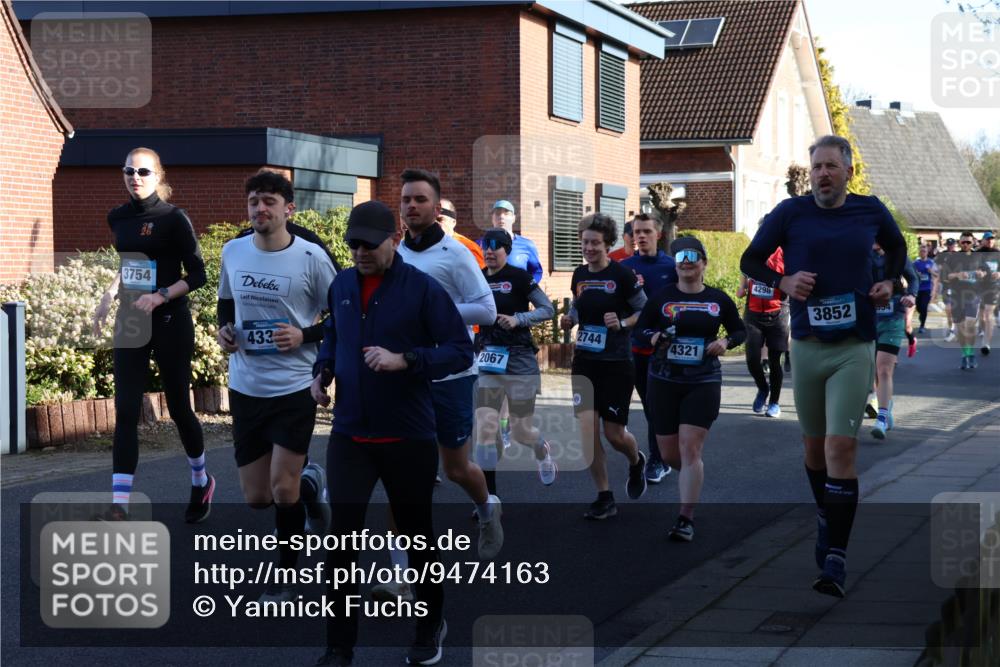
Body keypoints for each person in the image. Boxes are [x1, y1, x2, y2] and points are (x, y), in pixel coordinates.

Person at [740, 134, 905, 598]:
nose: (823, 174)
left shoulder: (870, 210)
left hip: (855, 345)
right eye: (817, 167)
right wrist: (783, 279)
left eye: (832, 166)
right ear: (809, 172)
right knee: (814, 451)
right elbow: (750, 258)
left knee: (840, 449)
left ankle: (836, 556)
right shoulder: (790, 213)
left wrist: (889, 281)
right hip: (809, 345)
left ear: (848, 171)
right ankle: (825, 513)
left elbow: (897, 249)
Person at [311, 200, 473, 667]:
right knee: (342, 540)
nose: (360, 252)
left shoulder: (422, 289)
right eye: (353, 244)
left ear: (395, 239)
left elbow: (460, 350)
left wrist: (408, 360)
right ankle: (338, 647)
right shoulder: (342, 284)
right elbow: (334, 335)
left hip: (407, 435)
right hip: (350, 435)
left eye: (369, 243)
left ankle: (429, 625)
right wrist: (321, 372)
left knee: (417, 536)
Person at [216, 171, 336, 602]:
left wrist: (306, 336)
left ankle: (287, 577)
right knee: (257, 497)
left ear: (289, 209)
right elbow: (226, 303)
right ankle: (310, 486)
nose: (259, 209)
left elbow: (341, 314)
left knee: (280, 489)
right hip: (246, 385)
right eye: (253, 202)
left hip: (293, 387)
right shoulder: (233, 251)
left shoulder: (311, 256)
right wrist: (224, 332)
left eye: (268, 202)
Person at [92, 147, 212, 522]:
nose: (135, 177)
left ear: (158, 175)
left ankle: (201, 480)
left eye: (143, 172)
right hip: (130, 320)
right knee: (126, 409)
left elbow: (197, 275)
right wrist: (110, 292)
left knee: (178, 407)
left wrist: (160, 296)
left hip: (170, 322)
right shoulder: (119, 217)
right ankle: (120, 504)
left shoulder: (174, 218)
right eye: (129, 170)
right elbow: (132, 263)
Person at [396, 169, 503, 560]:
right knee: (406, 474)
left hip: (453, 374)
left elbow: (487, 310)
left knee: (456, 469)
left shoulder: (456, 253)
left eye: (420, 199)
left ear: (436, 207)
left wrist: (434, 312)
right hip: (408, 373)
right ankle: (400, 574)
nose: (411, 205)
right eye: (406, 199)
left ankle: (487, 507)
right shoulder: (399, 252)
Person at [635, 236, 746, 541]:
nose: (686, 261)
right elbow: (640, 329)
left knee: (690, 448)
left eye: (693, 256)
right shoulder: (660, 298)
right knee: (673, 454)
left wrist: (725, 342)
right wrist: (654, 338)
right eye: (681, 256)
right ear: (675, 263)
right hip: (663, 380)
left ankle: (686, 518)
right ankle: (686, 470)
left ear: (704, 263)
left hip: (703, 380)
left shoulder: (718, 299)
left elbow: (739, 329)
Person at [560, 213, 649, 520]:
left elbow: (645, 310)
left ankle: (636, 460)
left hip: (616, 363)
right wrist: (570, 318)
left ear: (608, 244)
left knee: (614, 435)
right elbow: (578, 303)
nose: (589, 248)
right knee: (587, 433)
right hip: (585, 362)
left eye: (595, 243)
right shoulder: (579, 274)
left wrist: (623, 322)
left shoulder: (622, 276)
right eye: (585, 242)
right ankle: (605, 495)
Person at [473, 227, 557, 492]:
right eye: (486, 245)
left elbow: (548, 309)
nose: (489, 250)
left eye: (496, 245)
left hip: (520, 359)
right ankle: (489, 499)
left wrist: (519, 319)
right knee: (486, 428)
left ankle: (541, 451)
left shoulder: (519, 277)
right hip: (489, 357)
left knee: (521, 431)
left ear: (506, 251)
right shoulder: (477, 278)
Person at [620, 213, 678, 482]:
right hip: (633, 348)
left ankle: (658, 459)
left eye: (645, 231)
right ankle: (658, 453)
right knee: (647, 405)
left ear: (659, 234)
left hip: (665, 348)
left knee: (657, 405)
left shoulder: (672, 266)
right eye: (636, 232)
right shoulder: (624, 267)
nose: (640, 236)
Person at [868, 244, 918, 439]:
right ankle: (885, 404)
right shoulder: (862, 253)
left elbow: (914, 278)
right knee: (873, 369)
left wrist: (911, 295)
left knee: (884, 368)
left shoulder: (897, 254)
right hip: (869, 319)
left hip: (893, 319)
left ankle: (881, 418)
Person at [737, 246, 790, 418]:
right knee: (752, 358)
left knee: (775, 361)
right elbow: (745, 271)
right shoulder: (753, 253)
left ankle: (774, 403)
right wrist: (742, 287)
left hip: (778, 313)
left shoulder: (787, 255)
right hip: (753, 313)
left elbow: (790, 284)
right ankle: (762, 388)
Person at [947, 231, 990, 370]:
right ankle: (965, 354)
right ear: (959, 242)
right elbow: (946, 276)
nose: (965, 244)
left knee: (970, 326)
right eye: (963, 242)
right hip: (956, 296)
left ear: (973, 243)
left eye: (968, 242)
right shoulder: (952, 257)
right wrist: (957, 274)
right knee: (960, 329)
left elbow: (986, 273)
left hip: (973, 296)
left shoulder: (978, 257)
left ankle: (970, 353)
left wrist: (981, 273)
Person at [482, 199, 544, 283]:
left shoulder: (527, 245)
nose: (501, 216)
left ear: (513, 218)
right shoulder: (480, 244)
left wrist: (528, 288)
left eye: (506, 213)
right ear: (492, 218)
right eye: (497, 213)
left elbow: (537, 271)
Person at [438, 198, 485, 269]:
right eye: (432, 220)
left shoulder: (468, 247)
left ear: (453, 222)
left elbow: (482, 277)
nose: (435, 223)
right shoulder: (426, 245)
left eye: (440, 220)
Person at [976, 231, 999, 355]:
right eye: (988, 239)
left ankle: (986, 343)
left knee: (988, 314)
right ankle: (983, 330)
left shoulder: (998, 253)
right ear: (983, 240)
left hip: (993, 287)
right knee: (982, 315)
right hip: (978, 288)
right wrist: (978, 272)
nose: (990, 241)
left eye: (992, 239)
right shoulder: (977, 253)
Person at [912, 244, 938, 334]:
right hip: (917, 288)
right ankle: (921, 315)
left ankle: (922, 325)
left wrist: (931, 271)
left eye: (924, 251)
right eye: (921, 251)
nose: (923, 253)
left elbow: (937, 275)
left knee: (924, 307)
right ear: (919, 252)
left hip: (927, 288)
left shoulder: (931, 263)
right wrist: (916, 274)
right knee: (919, 307)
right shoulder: (915, 263)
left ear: (927, 252)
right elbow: (910, 275)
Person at [937, 238, 958, 342]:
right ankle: (952, 330)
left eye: (952, 245)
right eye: (949, 245)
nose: (950, 247)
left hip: (957, 286)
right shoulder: (942, 255)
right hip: (946, 285)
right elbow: (940, 268)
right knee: (948, 310)